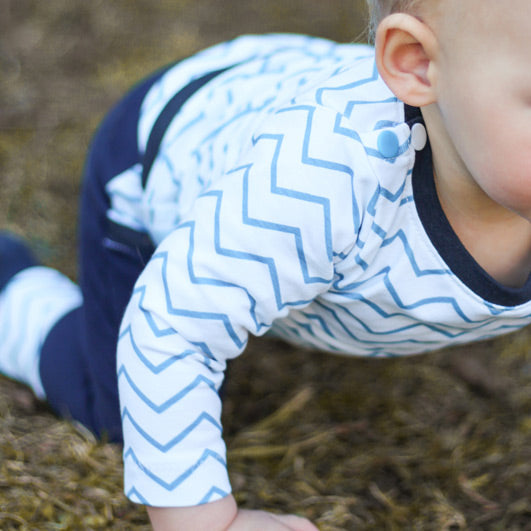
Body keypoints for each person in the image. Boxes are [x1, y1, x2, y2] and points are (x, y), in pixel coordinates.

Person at [1, 0, 530, 528]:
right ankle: (12, 291)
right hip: (164, 151)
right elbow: (170, 327)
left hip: (285, 81)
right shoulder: (323, 180)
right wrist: (208, 522)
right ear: (417, 63)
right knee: (124, 410)